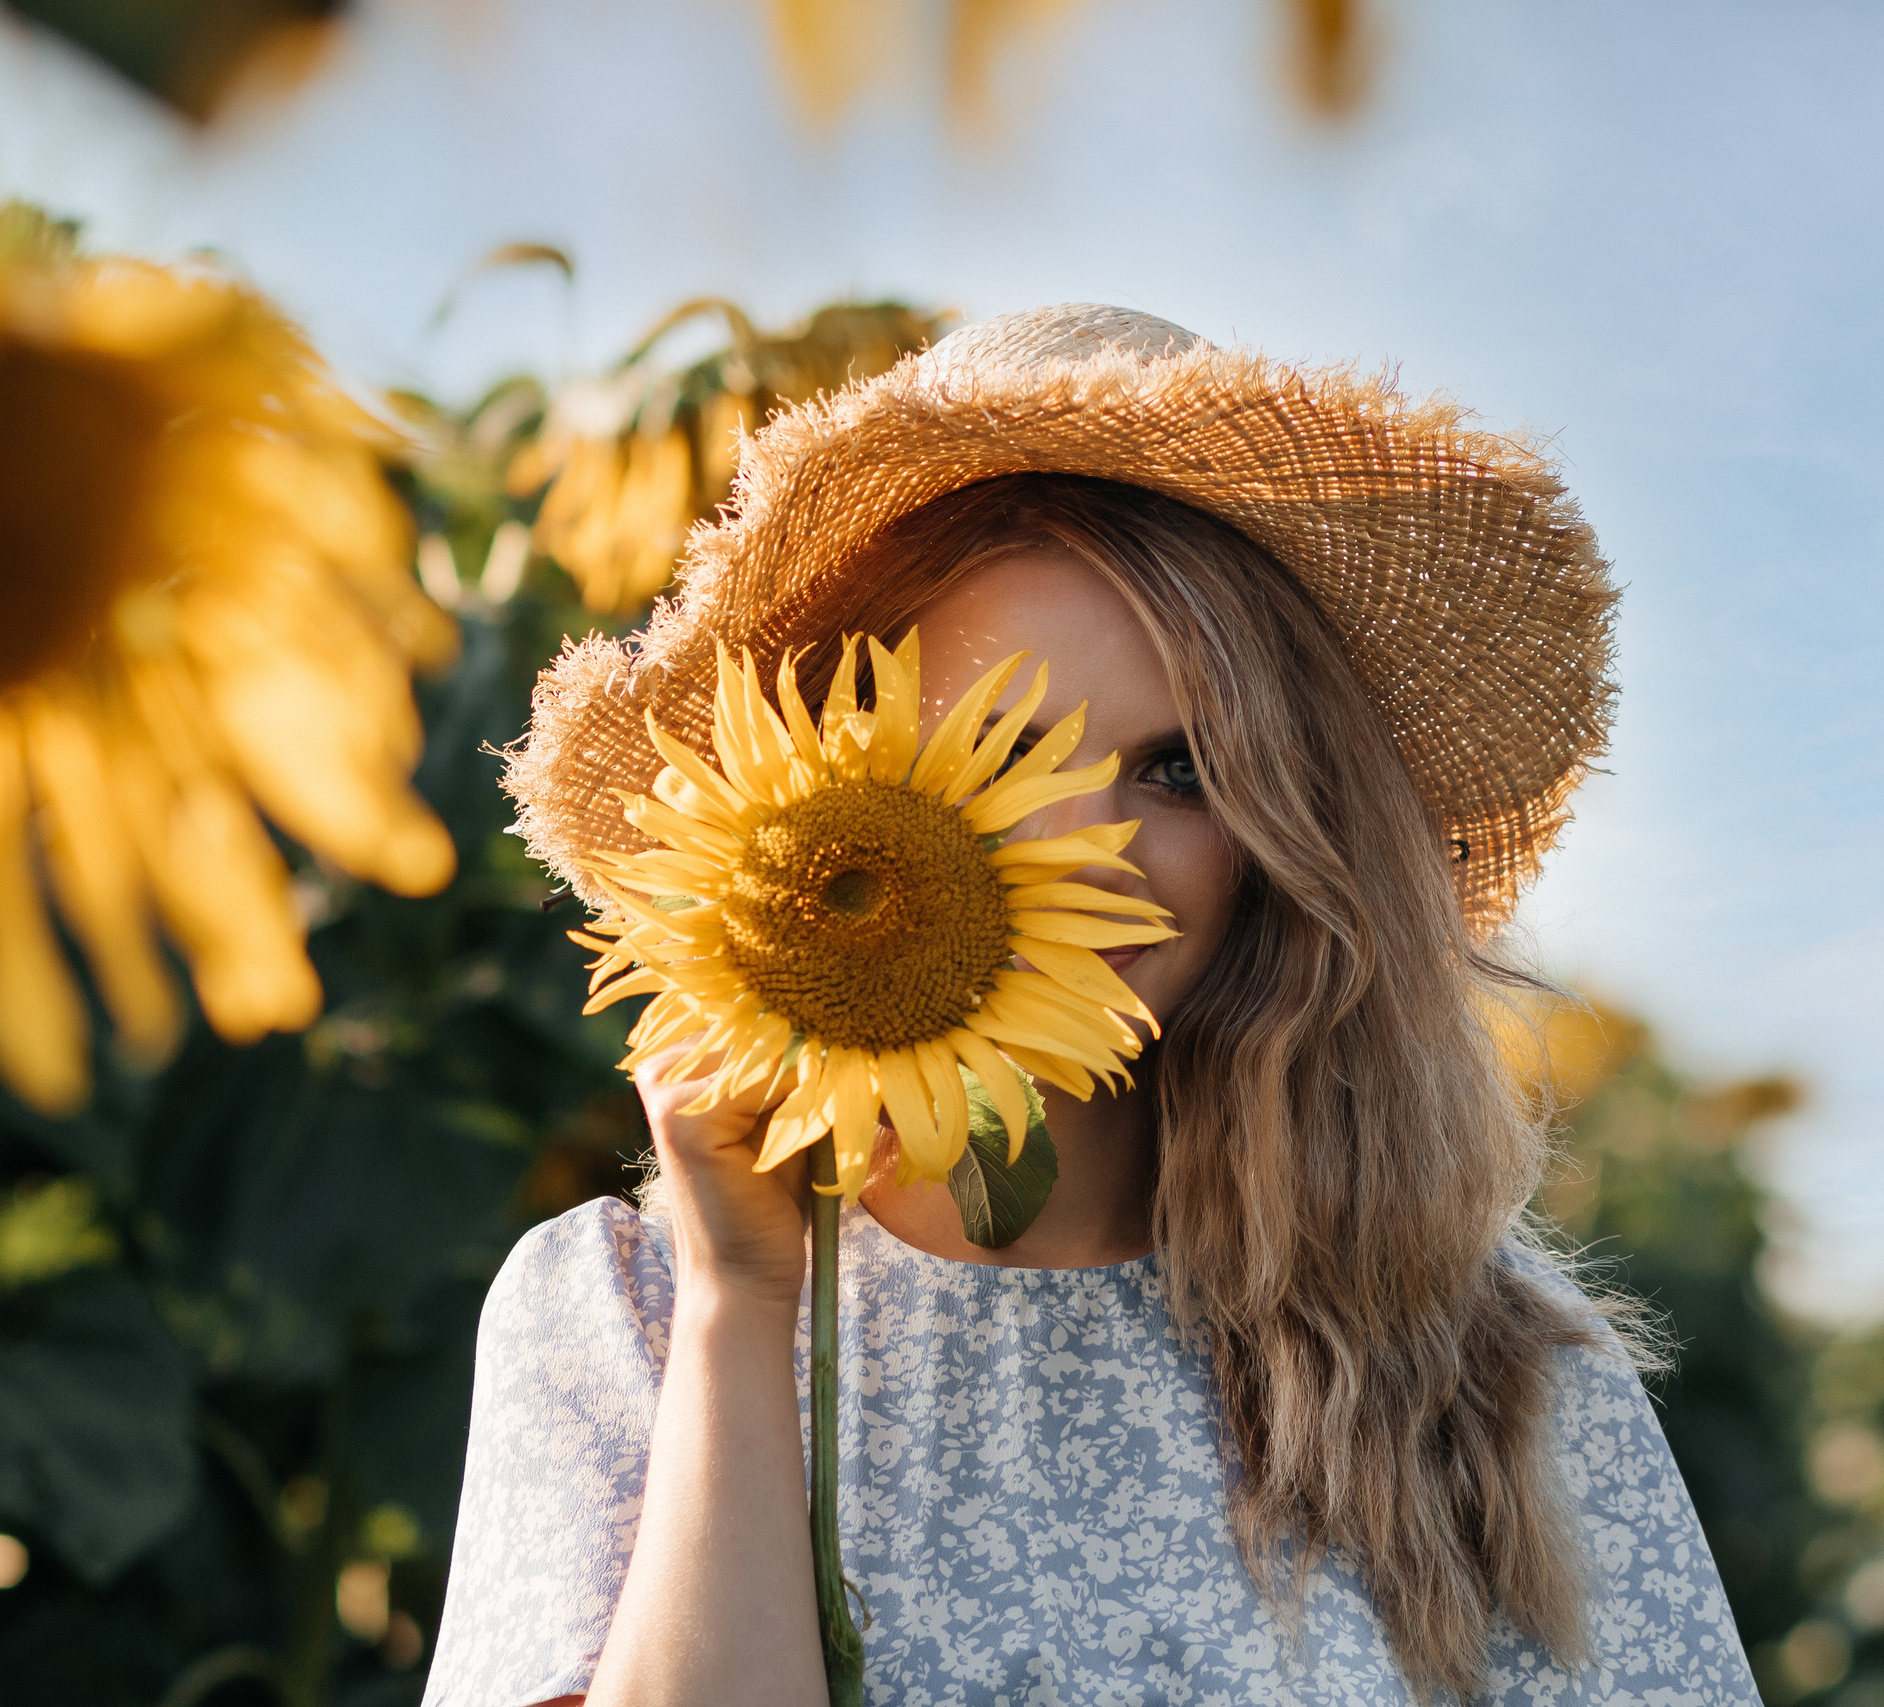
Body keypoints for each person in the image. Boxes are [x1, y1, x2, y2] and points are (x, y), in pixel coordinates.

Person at [426, 306, 1758, 1706]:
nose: (1078, 851)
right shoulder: (620, 1314)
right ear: (825, 784)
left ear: (1285, 839)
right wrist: (739, 1307)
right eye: (995, 749)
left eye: (1179, 772)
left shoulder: (1492, 1376)